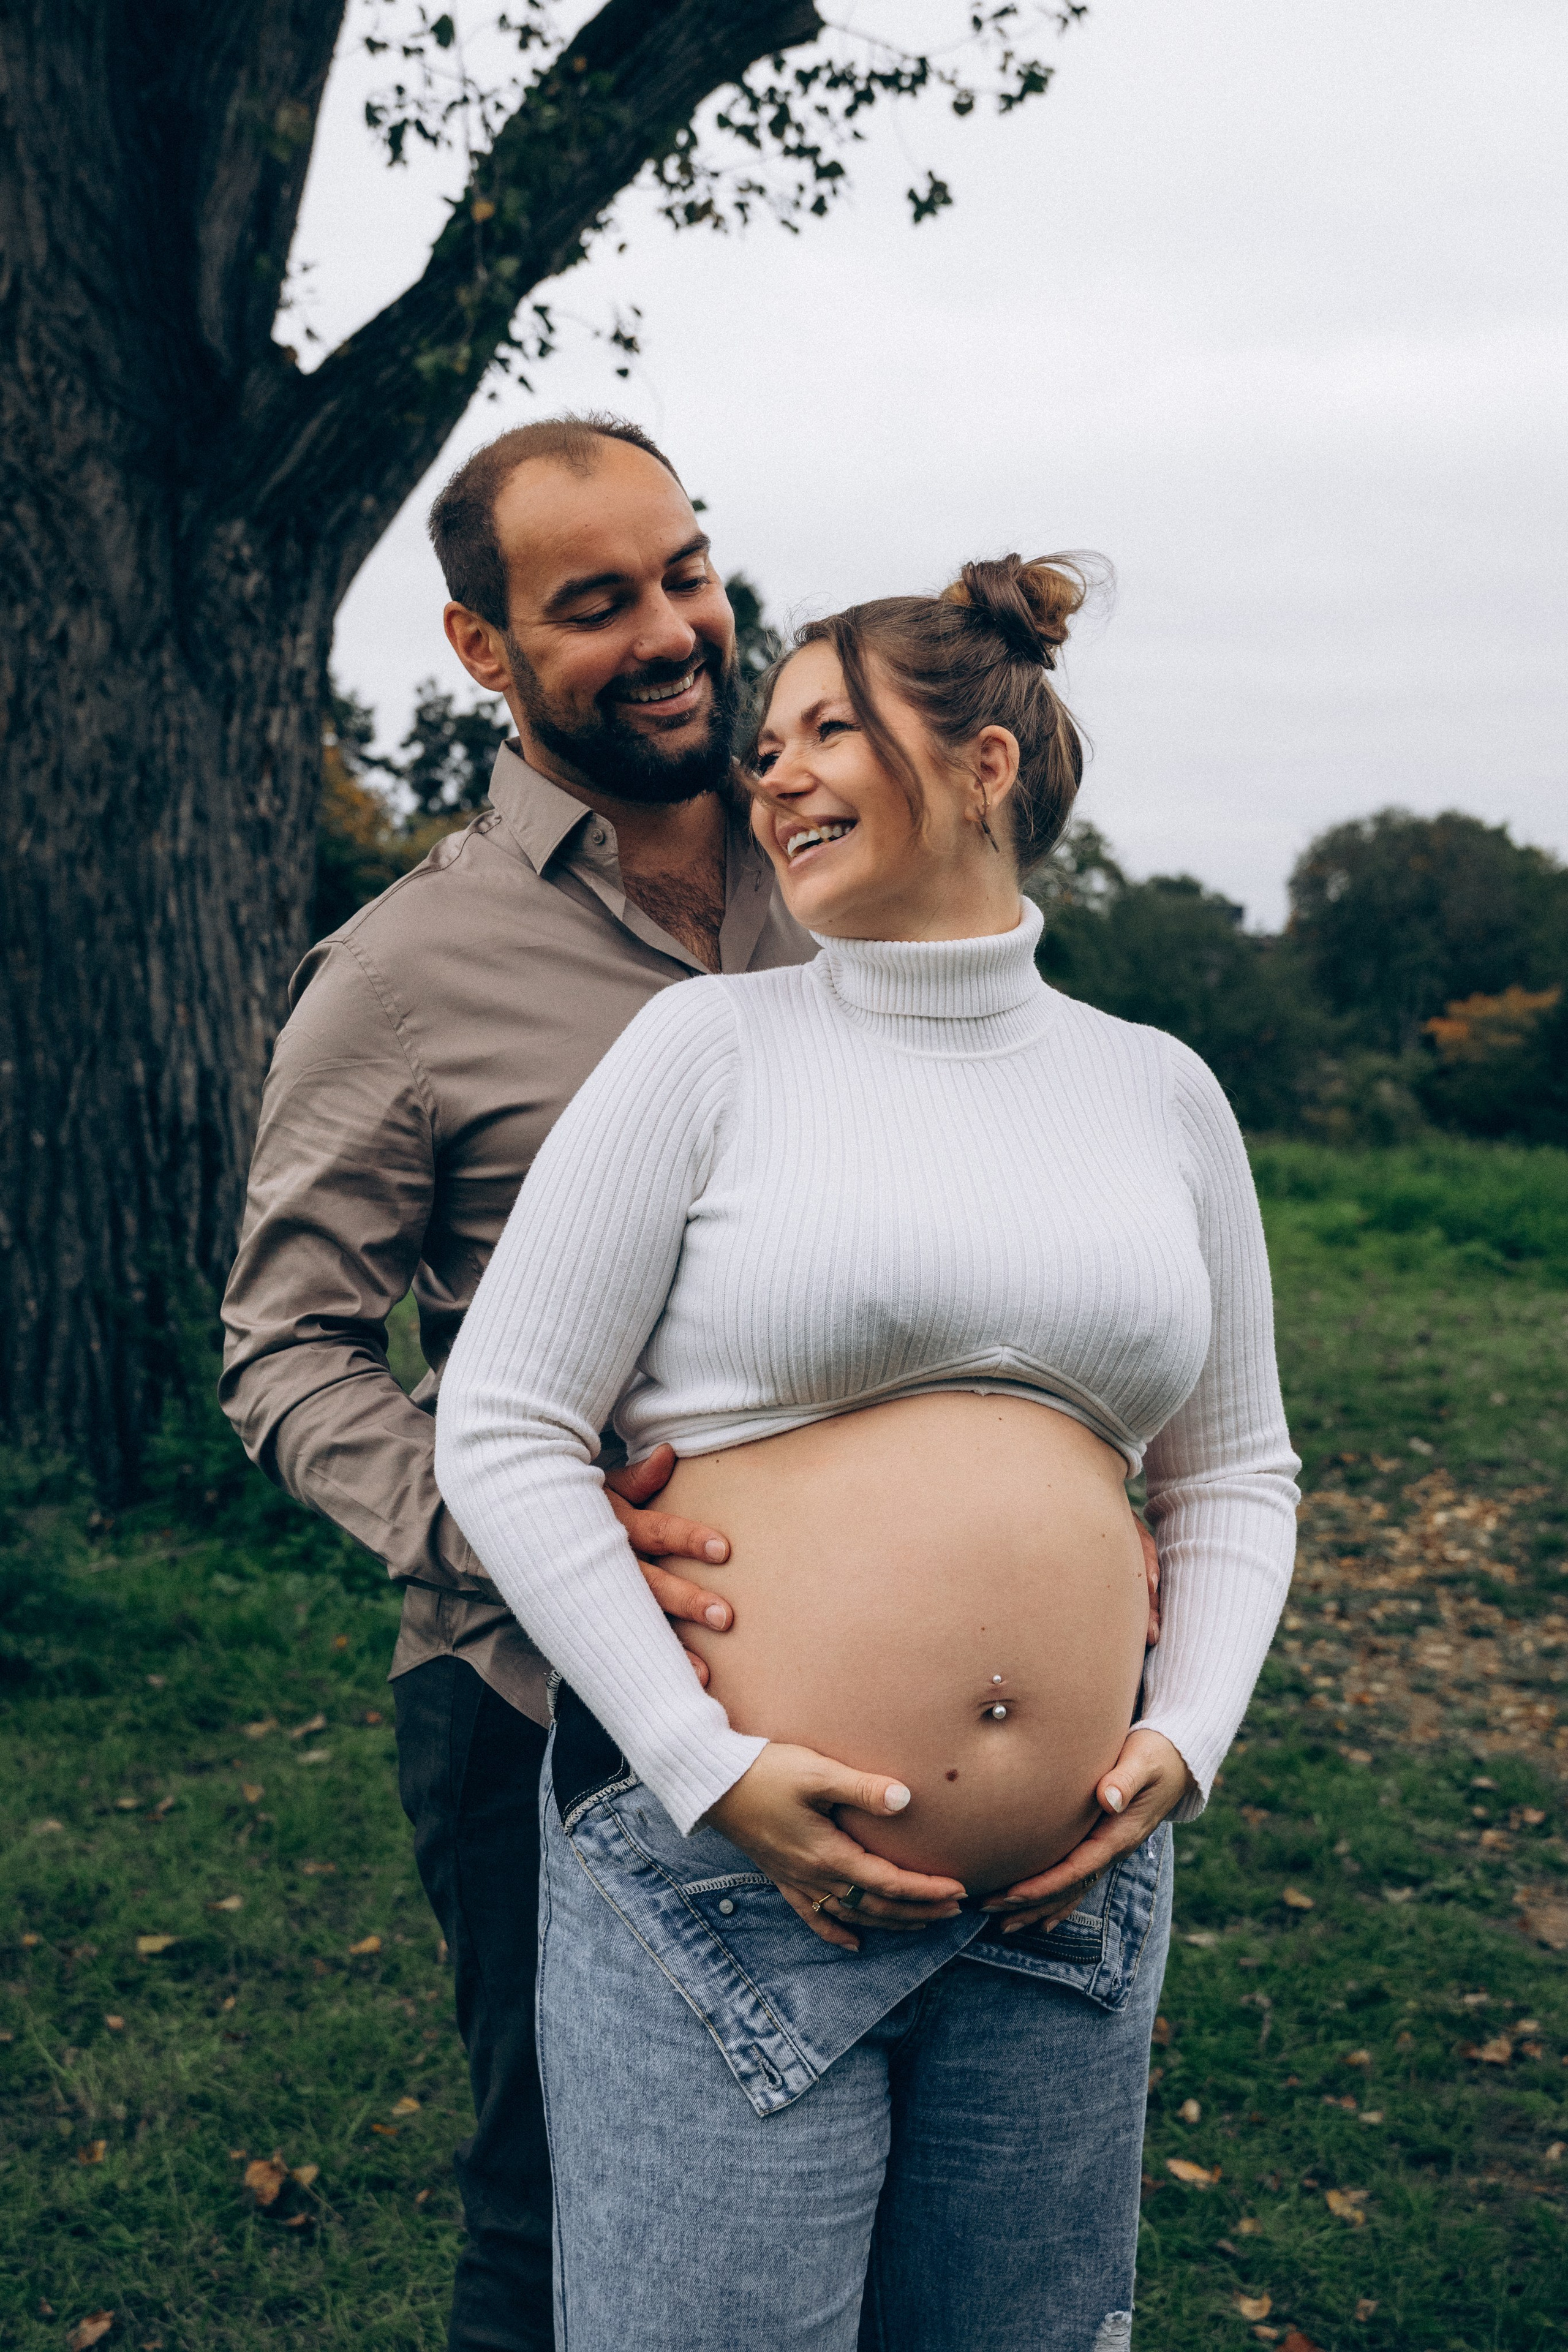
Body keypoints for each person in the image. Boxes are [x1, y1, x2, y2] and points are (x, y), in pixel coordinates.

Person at [435, 553, 1300, 2352]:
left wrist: (1185, 1741)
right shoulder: (708, 1050)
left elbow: (1235, 1475)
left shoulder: (1158, 1090)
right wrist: (700, 1764)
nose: (775, 772)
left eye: (831, 726)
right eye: (767, 745)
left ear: (987, 763)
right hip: (725, 1883)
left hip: (1069, 1898)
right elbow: (505, 1425)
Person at [219, 415, 816, 2352]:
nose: (671, 632)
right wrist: (514, 1537)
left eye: (688, 573)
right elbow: (289, 1349)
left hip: (855, 1680)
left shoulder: (843, 877)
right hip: (534, 1709)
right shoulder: (402, 976)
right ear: (483, 650)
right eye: (595, 604)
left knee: (839, 2189)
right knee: (557, 2212)